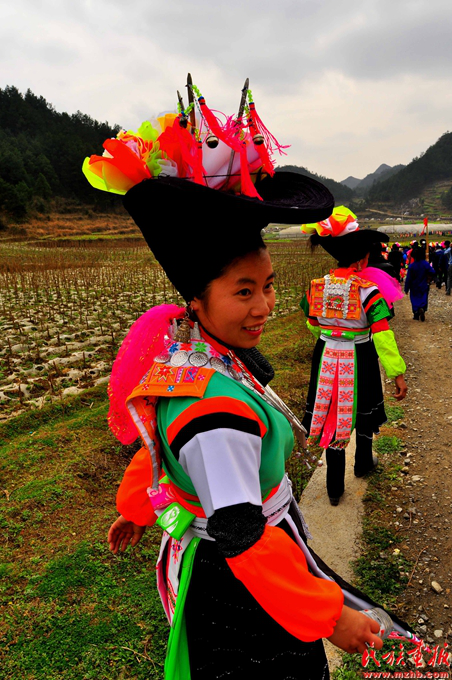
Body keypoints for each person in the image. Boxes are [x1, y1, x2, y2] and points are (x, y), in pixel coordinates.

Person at [83, 81, 410, 679]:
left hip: (232, 567)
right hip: (245, 590)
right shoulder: (217, 412)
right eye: (243, 291)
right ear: (198, 299)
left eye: (268, 285)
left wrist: (136, 509)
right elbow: (242, 535)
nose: (264, 306)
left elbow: (155, 453)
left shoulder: (187, 359)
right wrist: (328, 616)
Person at [300, 207, 407, 505]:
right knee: (363, 408)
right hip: (360, 355)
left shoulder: (316, 288)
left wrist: (332, 334)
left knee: (333, 412)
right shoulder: (368, 291)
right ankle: (362, 463)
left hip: (325, 356)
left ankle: (334, 488)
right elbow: (382, 334)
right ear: (361, 260)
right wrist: (396, 372)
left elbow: (312, 323)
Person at [404, 247, 436, 320]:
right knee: (423, 297)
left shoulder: (411, 266)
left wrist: (406, 288)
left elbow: (408, 278)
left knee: (414, 298)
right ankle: (422, 308)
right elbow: (432, 272)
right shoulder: (425, 264)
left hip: (414, 286)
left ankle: (416, 312)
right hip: (424, 284)